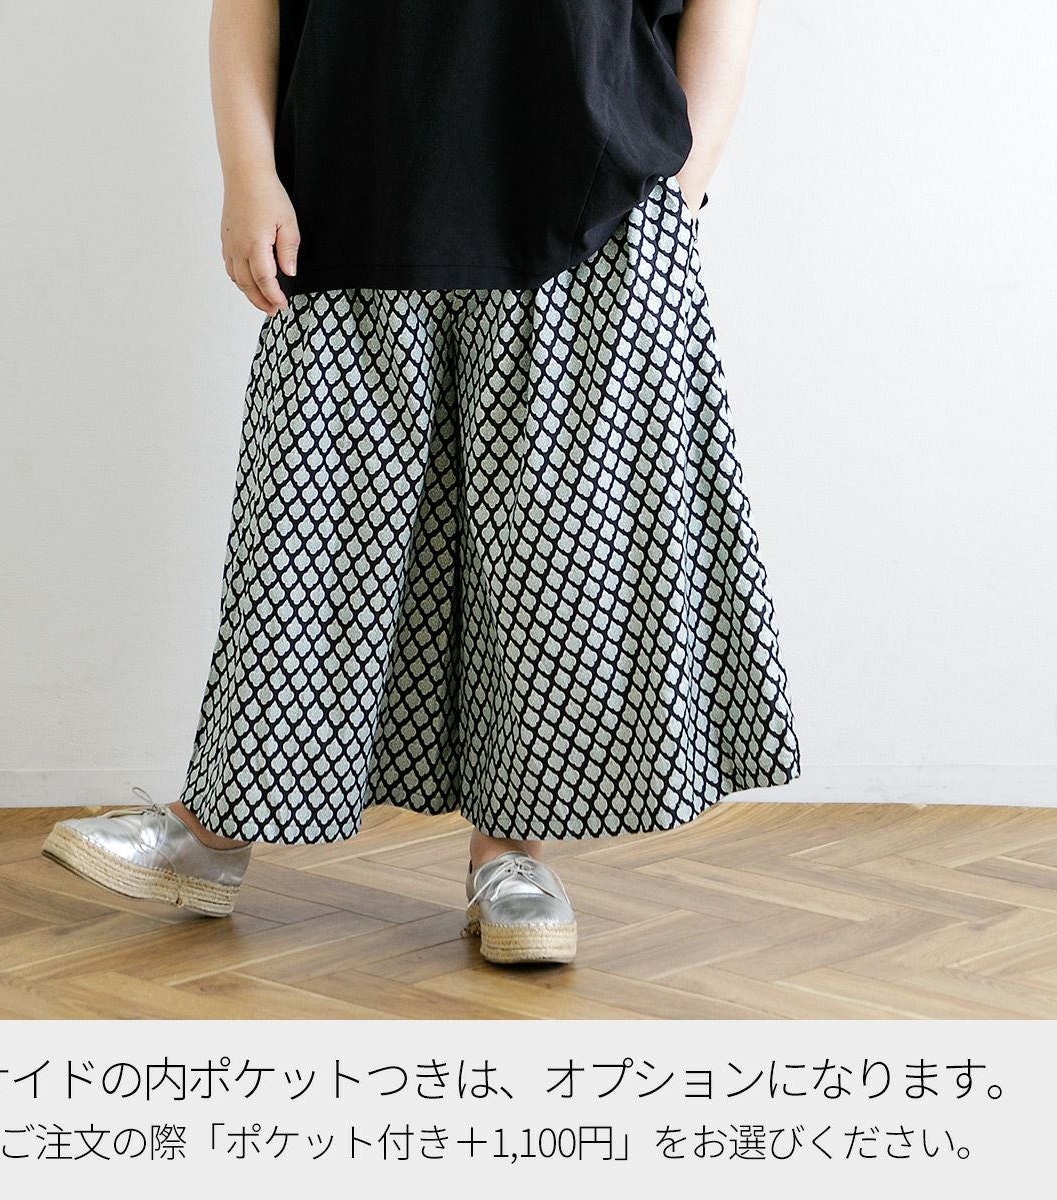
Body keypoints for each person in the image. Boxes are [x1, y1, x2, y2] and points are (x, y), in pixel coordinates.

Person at [43, 0, 801, 966]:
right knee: (309, 533)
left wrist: (678, 183)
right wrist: (247, 171)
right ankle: (215, 829)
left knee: (552, 552)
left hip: (592, 206)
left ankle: (513, 854)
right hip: (350, 178)